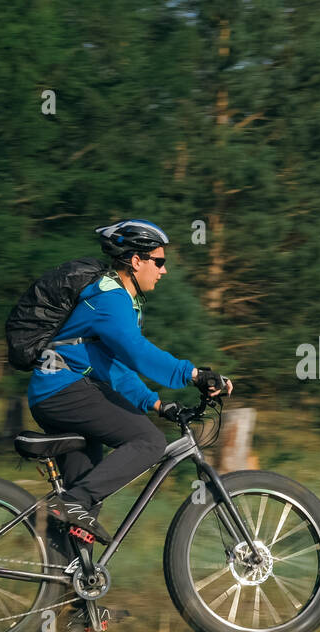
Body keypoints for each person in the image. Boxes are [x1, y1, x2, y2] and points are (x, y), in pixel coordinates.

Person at [28, 219, 233, 550]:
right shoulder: (110, 298)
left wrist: (155, 404)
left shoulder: (118, 300)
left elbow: (115, 369)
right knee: (149, 441)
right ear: (136, 261)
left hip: (60, 392)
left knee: (85, 500)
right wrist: (194, 374)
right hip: (62, 389)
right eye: (159, 261)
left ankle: (70, 592)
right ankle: (68, 504)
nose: (163, 271)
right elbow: (136, 352)